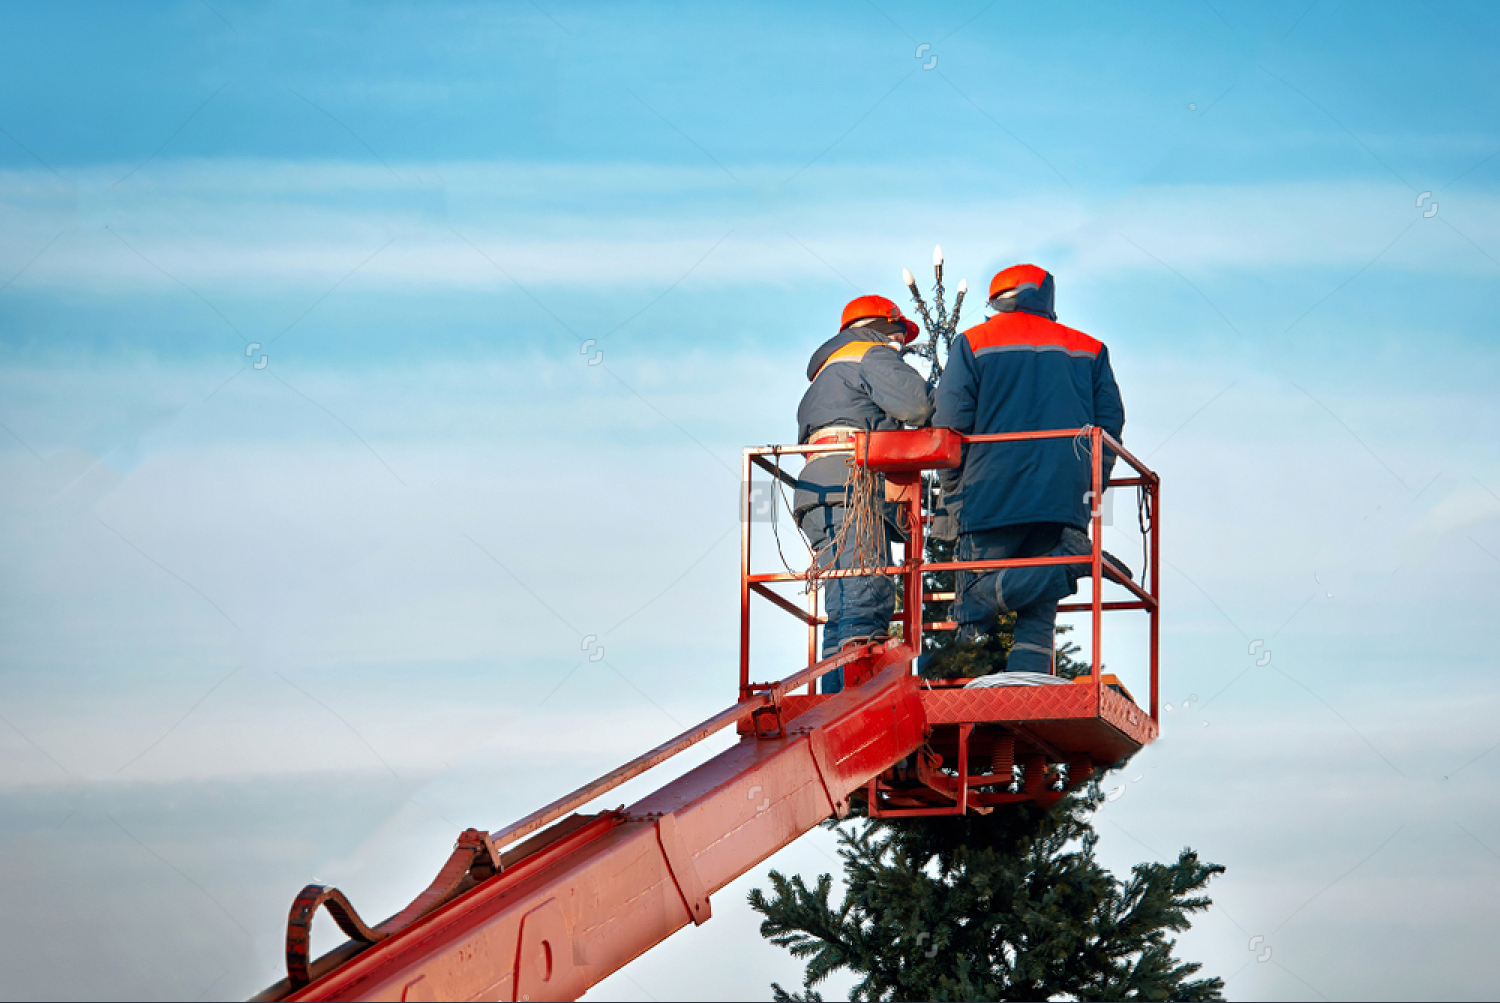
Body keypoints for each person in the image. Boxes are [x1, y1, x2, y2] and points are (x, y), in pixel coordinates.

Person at [933, 265, 1126, 674]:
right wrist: (1089, 490)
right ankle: (1032, 682)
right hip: (1064, 497)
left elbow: (948, 423)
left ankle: (1067, 563)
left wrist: (955, 491)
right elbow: (1109, 431)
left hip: (989, 493)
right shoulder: (1089, 349)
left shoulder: (973, 342)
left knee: (971, 603)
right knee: (1038, 620)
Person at [793, 295, 933, 693]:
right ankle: (853, 705)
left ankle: (831, 700)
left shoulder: (828, 372)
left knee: (841, 607)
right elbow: (920, 406)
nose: (902, 347)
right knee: (865, 597)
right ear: (882, 327)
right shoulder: (871, 353)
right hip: (849, 483)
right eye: (900, 337)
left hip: (816, 488)